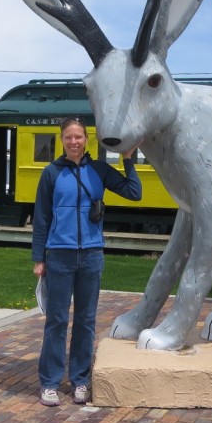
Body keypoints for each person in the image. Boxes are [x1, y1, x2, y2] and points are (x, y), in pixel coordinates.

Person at [31, 117, 142, 406]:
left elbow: (134, 192)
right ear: (62, 140)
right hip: (59, 255)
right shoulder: (51, 173)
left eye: (78, 137)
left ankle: (80, 379)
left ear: (86, 139)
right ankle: (50, 382)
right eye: (68, 137)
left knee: (85, 320)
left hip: (91, 255)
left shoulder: (99, 170)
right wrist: (38, 258)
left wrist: (127, 160)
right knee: (56, 320)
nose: (74, 142)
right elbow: (41, 219)